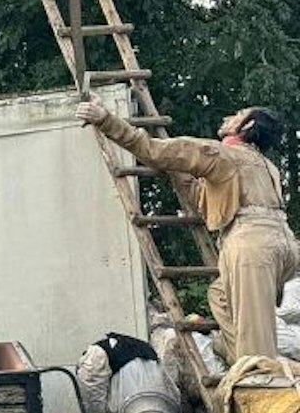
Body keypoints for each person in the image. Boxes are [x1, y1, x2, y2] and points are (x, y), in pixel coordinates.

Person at [80, 99, 300, 363]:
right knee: (221, 295)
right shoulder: (267, 167)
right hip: (283, 246)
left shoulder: (221, 153)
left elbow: (153, 150)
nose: (229, 116)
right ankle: (238, 357)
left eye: (239, 114)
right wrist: (178, 171)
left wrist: (106, 120)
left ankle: (258, 375)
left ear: (247, 125)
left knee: (256, 343)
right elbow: (205, 201)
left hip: (252, 248)